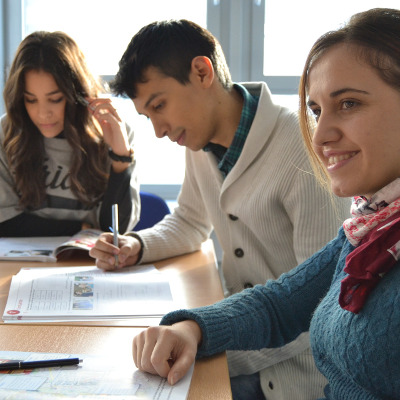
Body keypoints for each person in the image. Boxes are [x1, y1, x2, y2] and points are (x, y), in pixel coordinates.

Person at [128, 8, 400, 400]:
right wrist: (192, 328)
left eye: (350, 104)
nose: (320, 135)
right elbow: (282, 303)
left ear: (203, 73)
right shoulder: (370, 227)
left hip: (288, 376)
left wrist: (217, 358)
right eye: (317, 110)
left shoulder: (304, 160)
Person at [90, 19, 350, 399]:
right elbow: (190, 223)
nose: (159, 130)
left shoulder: (302, 148)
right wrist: (137, 245)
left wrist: (208, 350)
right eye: (148, 117)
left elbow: (317, 308)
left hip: (295, 375)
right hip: (238, 336)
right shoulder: (199, 142)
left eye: (159, 106)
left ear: (201, 71)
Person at [0, 31, 140, 237]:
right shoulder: (8, 133)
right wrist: (79, 229)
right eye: (31, 100)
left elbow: (115, 230)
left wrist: (120, 159)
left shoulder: (113, 132)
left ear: (77, 94)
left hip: (91, 263)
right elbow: (5, 223)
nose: (42, 113)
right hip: (23, 264)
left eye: (55, 99)